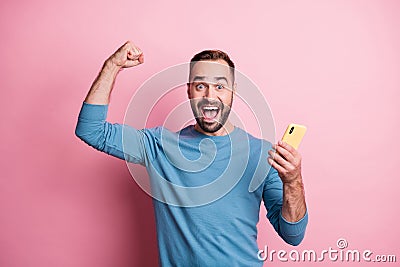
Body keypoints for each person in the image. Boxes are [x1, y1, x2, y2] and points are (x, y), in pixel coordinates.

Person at [75, 41, 308, 266]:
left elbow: (293, 235)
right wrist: (112, 65)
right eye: (200, 86)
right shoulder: (159, 146)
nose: (209, 95)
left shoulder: (262, 154)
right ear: (189, 91)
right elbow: (91, 130)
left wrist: (293, 181)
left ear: (233, 92)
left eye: (220, 86)